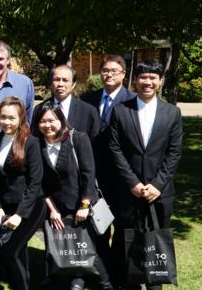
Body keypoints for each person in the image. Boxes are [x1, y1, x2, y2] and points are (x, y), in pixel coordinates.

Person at [108, 61, 182, 290]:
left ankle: (154, 283)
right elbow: (115, 148)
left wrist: (158, 184)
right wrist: (132, 182)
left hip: (159, 193)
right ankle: (129, 282)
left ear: (160, 81)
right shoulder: (121, 111)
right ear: (135, 80)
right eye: (143, 77)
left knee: (156, 241)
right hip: (129, 192)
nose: (147, 82)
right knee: (127, 241)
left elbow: (174, 152)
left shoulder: (172, 112)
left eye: (153, 78)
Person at [35, 102, 112, 290]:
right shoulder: (36, 144)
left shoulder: (77, 138)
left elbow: (88, 173)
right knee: (61, 247)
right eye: (42, 121)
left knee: (86, 249)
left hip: (80, 205)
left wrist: (84, 206)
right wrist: (52, 210)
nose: (47, 125)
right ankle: (68, 278)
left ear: (61, 120)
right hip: (55, 207)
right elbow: (38, 182)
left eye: (52, 120)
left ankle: (106, 285)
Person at [81, 55, 136, 275]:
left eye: (114, 70)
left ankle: (119, 271)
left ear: (123, 73)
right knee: (98, 224)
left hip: (123, 175)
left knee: (122, 225)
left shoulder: (132, 100)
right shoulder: (88, 99)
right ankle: (101, 270)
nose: (109, 74)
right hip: (95, 174)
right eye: (105, 70)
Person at [0, 97, 45, 290]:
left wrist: (20, 214)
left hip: (31, 207)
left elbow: (35, 183)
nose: (7, 122)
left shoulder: (31, 142)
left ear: (21, 118)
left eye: (12, 118)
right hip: (6, 208)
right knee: (18, 254)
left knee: (10, 252)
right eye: (3, 117)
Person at [32, 64, 99, 142]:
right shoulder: (39, 109)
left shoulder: (88, 111)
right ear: (51, 84)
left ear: (73, 85)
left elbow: (94, 143)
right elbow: (35, 139)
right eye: (56, 80)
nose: (60, 84)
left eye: (65, 80)